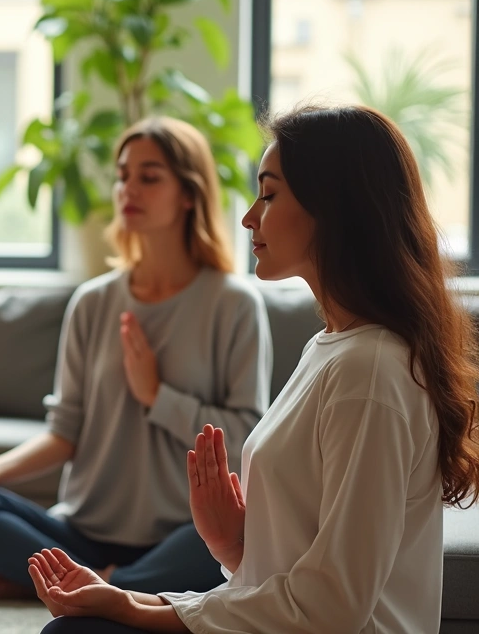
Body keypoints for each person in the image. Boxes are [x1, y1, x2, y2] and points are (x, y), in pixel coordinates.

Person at [29, 105, 479, 633]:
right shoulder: (331, 348)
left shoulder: (370, 371)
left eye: (269, 194)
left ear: (332, 207)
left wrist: (138, 605)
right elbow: (305, 578)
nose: (249, 216)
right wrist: (233, 545)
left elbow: (333, 607)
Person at [0, 116, 272, 599]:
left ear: (189, 194)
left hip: (184, 534)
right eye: (122, 175)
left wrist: (156, 395)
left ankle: (96, 587)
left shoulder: (235, 305)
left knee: (242, 538)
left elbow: (242, 438)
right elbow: (62, 434)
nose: (127, 188)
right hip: (82, 532)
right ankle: (107, 586)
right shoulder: (92, 303)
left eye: (149, 176)